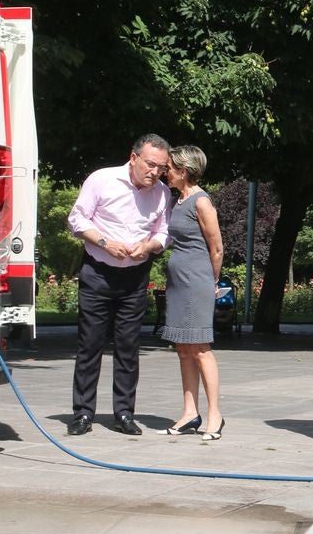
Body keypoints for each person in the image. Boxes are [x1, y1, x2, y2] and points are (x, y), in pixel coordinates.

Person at [66, 134, 171, 436]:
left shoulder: (162, 193)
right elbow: (76, 219)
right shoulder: (102, 179)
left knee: (128, 347)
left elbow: (164, 232)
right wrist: (104, 242)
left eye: (161, 168)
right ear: (134, 157)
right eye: (151, 165)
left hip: (135, 276)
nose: (155, 172)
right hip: (98, 271)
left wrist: (149, 246)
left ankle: (124, 413)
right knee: (90, 345)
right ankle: (83, 413)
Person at [159, 145, 227, 442]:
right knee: (183, 347)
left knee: (200, 347)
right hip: (178, 281)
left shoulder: (201, 201)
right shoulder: (178, 200)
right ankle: (190, 412)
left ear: (184, 171)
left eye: (170, 167)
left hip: (196, 281)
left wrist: (210, 282)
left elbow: (217, 247)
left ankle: (215, 414)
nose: (165, 171)